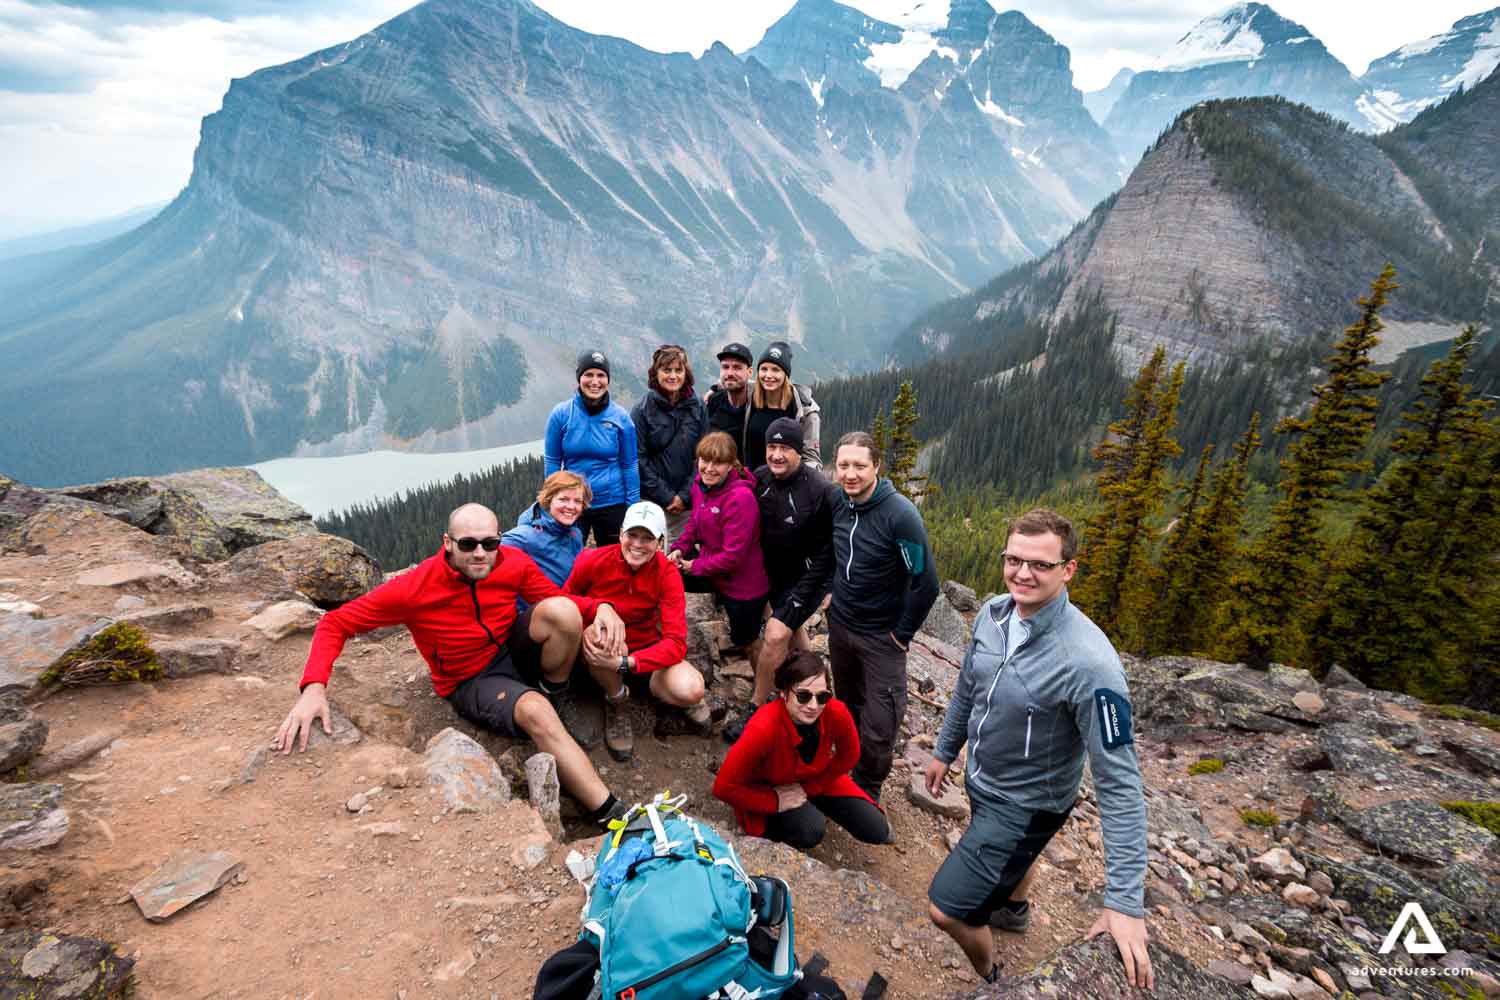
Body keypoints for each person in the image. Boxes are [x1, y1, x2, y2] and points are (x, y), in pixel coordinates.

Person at [272, 503, 630, 828]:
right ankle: (614, 815)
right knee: (536, 711)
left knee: (563, 613)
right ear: (447, 542)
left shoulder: (513, 563)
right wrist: (314, 686)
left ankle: (556, 689)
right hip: (470, 677)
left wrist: (601, 607)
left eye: (490, 544)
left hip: (509, 648)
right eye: (468, 544)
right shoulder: (414, 588)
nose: (480, 553)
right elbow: (337, 623)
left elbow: (556, 600)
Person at [924, 509, 1153, 990]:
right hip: (984, 778)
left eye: (1040, 565)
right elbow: (969, 686)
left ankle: (991, 976)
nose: (1023, 573)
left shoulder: (1092, 665)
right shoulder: (992, 613)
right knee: (1013, 860)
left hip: (1028, 803)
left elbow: (1121, 783)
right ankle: (1013, 908)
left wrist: (1126, 902)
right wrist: (946, 750)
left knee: (945, 909)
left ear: (1068, 569)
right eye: (1014, 559)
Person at [828, 431, 939, 801]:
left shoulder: (900, 516)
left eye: (860, 465)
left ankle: (867, 787)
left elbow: (925, 582)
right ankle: (843, 764)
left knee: (881, 719)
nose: (851, 474)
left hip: (882, 636)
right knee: (846, 704)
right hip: (841, 625)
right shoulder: (839, 503)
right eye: (843, 465)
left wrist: (901, 635)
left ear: (876, 465)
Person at [563, 501, 713, 761]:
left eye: (648, 538)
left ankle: (651, 690)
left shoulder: (667, 573)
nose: (637, 544)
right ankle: (617, 701)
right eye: (632, 535)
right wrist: (599, 607)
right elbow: (563, 600)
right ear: (620, 533)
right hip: (604, 652)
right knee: (603, 636)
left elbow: (676, 641)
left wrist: (627, 663)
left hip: (641, 655)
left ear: (660, 542)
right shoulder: (593, 559)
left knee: (692, 690)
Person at [722, 416, 837, 743]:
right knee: (794, 632)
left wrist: (827, 586)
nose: (776, 455)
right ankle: (816, 692)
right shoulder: (759, 479)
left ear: (799, 451)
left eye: (785, 448)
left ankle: (756, 709)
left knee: (774, 635)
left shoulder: (820, 489)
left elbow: (833, 544)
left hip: (807, 578)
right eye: (772, 447)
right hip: (772, 574)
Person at [713, 650, 890, 850]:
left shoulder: (836, 712)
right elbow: (723, 787)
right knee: (810, 830)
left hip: (813, 777)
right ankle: (782, 827)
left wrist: (809, 788)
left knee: (876, 829)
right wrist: (774, 801)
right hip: (770, 786)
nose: (814, 706)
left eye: (822, 696)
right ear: (784, 692)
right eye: (803, 696)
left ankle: (810, 803)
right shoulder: (763, 728)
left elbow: (850, 754)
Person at [667, 431, 769, 652]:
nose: (709, 468)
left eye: (719, 463)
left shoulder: (740, 499)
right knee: (664, 572)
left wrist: (693, 566)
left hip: (742, 585)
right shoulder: (701, 485)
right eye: (705, 460)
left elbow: (734, 556)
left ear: (731, 465)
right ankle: (669, 636)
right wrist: (679, 549)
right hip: (715, 572)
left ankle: (764, 685)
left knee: (748, 642)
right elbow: (694, 522)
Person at [545, 349, 640, 547]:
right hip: (573, 502)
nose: (595, 381)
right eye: (589, 374)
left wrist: (633, 507)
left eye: (601, 375)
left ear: (608, 379)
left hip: (613, 502)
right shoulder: (561, 414)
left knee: (613, 561)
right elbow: (553, 460)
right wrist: (552, 499)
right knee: (569, 559)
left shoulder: (621, 418)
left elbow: (629, 464)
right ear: (579, 377)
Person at [631, 344, 706, 540]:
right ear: (656, 373)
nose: (673, 376)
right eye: (666, 370)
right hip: (652, 502)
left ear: (686, 373)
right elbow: (638, 458)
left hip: (688, 504)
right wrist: (666, 496)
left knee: (681, 561)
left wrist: (684, 496)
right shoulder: (641, 410)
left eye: (678, 370)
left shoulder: (698, 407)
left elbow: (704, 455)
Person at [740, 341, 821, 472]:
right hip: (751, 482)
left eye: (775, 370)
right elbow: (732, 381)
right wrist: (714, 389)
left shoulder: (805, 410)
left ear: (786, 375)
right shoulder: (751, 394)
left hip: (784, 485)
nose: (768, 375)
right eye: (764, 369)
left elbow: (811, 458)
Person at [502, 470, 589, 590]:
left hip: (572, 603)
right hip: (541, 606)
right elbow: (488, 551)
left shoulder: (575, 534)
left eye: (578, 501)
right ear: (549, 500)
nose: (571, 507)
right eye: (563, 499)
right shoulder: (526, 537)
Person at [702, 341, 753, 458]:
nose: (730, 373)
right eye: (725, 367)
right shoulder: (714, 401)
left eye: (737, 367)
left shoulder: (758, 404)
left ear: (749, 372)